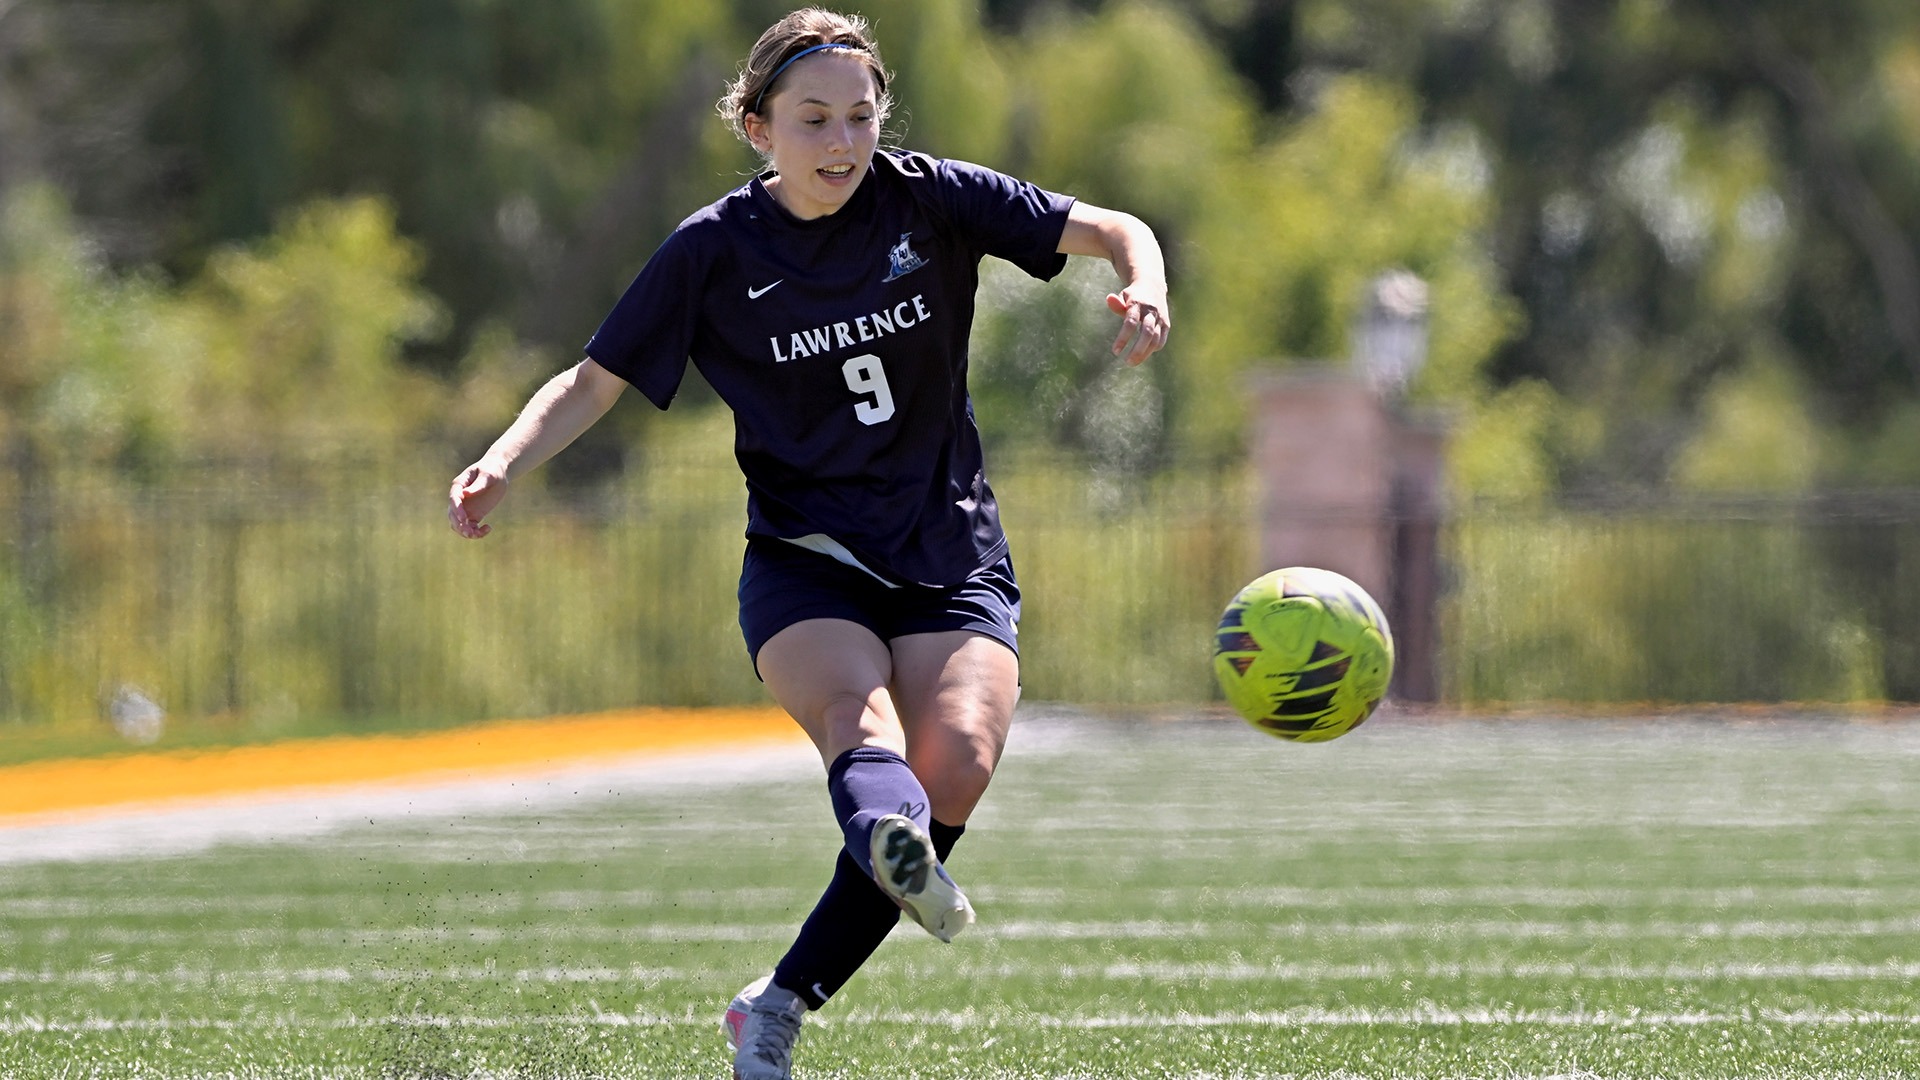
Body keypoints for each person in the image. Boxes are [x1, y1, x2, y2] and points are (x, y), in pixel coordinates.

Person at [446, 8, 1168, 1078]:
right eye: (813, 118)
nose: (841, 142)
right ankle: (890, 845)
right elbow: (594, 379)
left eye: (860, 117)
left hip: (948, 546)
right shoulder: (714, 250)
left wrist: (1147, 283)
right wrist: (506, 457)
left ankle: (780, 997)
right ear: (757, 127)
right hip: (806, 556)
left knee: (958, 762)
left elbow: (1116, 226)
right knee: (856, 719)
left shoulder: (930, 197)